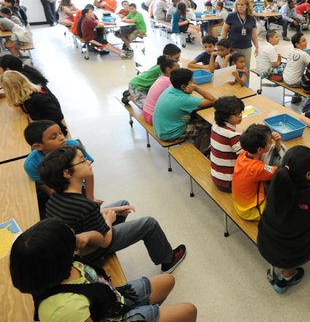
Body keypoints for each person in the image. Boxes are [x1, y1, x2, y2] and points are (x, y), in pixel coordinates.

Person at [10, 218, 197, 322]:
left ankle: (146, 311)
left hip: (111, 300)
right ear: (60, 256)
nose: (74, 233)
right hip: (111, 315)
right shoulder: (64, 310)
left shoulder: (58, 265)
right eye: (71, 237)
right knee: (188, 311)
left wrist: (86, 236)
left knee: (168, 281)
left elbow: (100, 240)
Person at [39, 146, 188, 271]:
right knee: (149, 224)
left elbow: (84, 217)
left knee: (123, 203)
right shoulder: (85, 205)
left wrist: (111, 212)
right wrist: (108, 220)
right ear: (66, 173)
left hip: (80, 240)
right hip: (93, 251)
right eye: (82, 160)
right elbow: (104, 241)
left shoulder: (56, 197)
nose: (89, 162)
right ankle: (168, 260)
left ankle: (118, 235)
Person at [257, 146, 310, 307]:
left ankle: (286, 277)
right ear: (308, 174)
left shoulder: (277, 179)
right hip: (291, 253)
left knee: (289, 231)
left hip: (265, 245)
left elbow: (297, 210)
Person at [23, 120, 96, 215]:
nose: (61, 138)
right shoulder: (32, 164)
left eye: (60, 133)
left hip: (77, 185)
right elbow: (48, 189)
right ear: (38, 146)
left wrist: (90, 199)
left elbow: (88, 173)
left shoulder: (73, 145)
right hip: (58, 191)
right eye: (54, 137)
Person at [153, 68, 216, 153]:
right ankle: (202, 152)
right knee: (209, 124)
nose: (194, 80)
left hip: (160, 128)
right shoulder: (183, 100)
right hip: (169, 134)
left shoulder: (171, 89)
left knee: (197, 116)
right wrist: (197, 88)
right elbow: (213, 100)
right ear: (183, 86)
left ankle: (198, 146)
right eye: (191, 80)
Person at [232, 124, 278, 221]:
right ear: (260, 150)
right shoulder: (257, 169)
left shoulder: (243, 155)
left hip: (239, 204)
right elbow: (278, 171)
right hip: (250, 211)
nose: (272, 142)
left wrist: (272, 139)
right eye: (270, 141)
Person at [3, 70, 68, 135]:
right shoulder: (25, 97)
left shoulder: (38, 98)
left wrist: (37, 123)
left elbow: (58, 115)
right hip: (43, 126)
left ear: (12, 90)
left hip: (52, 131)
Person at [221, 0, 258, 74]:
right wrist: (223, 45)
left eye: (242, 5)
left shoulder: (251, 19)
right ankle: (233, 85)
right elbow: (224, 30)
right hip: (233, 46)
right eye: (238, 5)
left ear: (247, 6)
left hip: (246, 47)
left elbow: (253, 34)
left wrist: (257, 46)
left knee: (245, 67)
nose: (240, 7)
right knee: (233, 67)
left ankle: (245, 85)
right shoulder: (231, 16)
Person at [142, 57, 179, 125]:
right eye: (178, 69)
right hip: (154, 117)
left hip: (146, 113)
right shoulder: (169, 81)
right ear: (168, 70)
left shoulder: (162, 78)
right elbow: (180, 94)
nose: (180, 71)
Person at [283, 33, 310, 103]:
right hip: (295, 82)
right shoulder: (303, 54)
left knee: (298, 74)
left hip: (285, 78)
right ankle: (308, 98)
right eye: (304, 41)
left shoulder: (291, 51)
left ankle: (296, 96)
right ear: (297, 44)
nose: (306, 42)